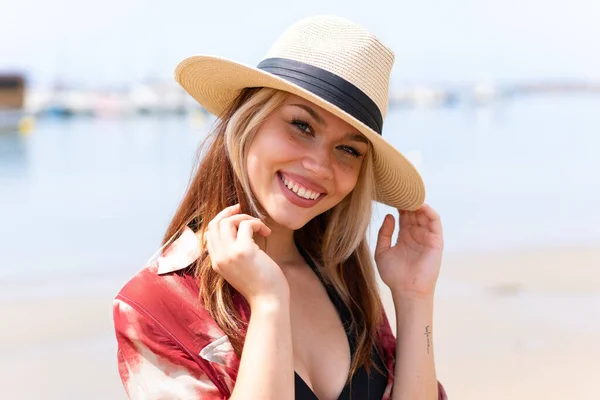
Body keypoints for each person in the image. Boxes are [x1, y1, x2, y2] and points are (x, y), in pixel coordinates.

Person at [113, 15, 448, 400]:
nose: (320, 166)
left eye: (348, 149)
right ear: (249, 121)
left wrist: (414, 297)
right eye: (302, 126)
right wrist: (268, 303)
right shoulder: (157, 305)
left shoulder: (345, 280)